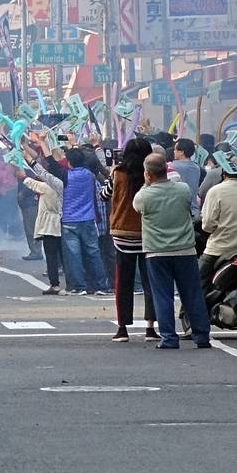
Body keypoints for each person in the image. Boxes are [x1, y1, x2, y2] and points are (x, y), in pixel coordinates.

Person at [134, 152, 211, 349]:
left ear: (148, 174)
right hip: (185, 249)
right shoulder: (183, 189)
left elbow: (137, 206)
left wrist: (146, 183)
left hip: (157, 252)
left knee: (163, 296)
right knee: (192, 294)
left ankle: (169, 337)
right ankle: (201, 336)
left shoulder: (144, 195)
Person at [107, 137, 157, 342]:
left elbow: (104, 195)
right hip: (147, 234)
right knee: (150, 282)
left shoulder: (118, 174)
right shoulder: (153, 177)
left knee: (123, 283)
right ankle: (150, 328)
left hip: (122, 234)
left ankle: (122, 328)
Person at [198, 163, 237, 287]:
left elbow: (207, 225)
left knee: (197, 284)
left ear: (224, 173)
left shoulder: (216, 191)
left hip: (219, 250)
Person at [55, 146, 105, 296]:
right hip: (88, 219)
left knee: (74, 255)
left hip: (70, 220)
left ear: (69, 162)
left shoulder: (66, 176)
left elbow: (53, 165)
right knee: (94, 253)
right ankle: (102, 285)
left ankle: (79, 286)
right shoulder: (90, 175)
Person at [21, 157, 64, 293]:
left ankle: (55, 284)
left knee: (51, 256)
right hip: (62, 223)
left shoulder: (47, 187)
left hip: (50, 226)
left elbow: (29, 182)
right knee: (64, 256)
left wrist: (21, 170)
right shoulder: (62, 185)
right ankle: (73, 283)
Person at [169, 138, 204, 211]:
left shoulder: (172, 166)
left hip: (179, 210)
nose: (174, 151)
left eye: (175, 149)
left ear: (182, 152)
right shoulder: (196, 167)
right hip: (194, 209)